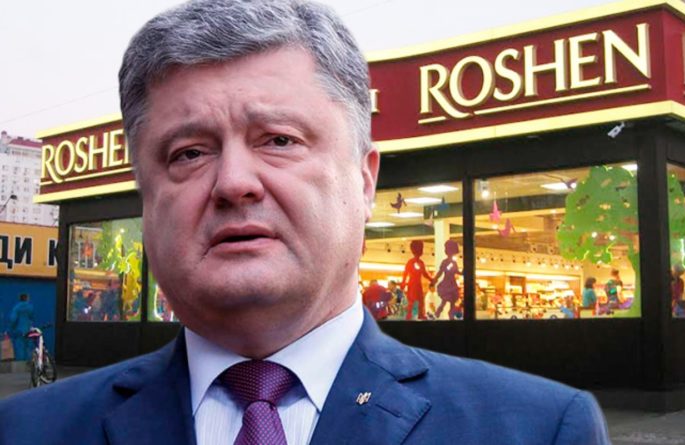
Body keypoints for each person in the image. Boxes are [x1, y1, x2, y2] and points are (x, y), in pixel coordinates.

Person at [0, 1, 610, 444]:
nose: (234, 182)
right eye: (189, 153)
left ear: (364, 181)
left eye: (279, 140)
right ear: (146, 194)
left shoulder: (537, 430)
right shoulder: (27, 430)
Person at [401, 240, 434, 320]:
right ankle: (409, 316)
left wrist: (432, 279)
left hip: (417, 284)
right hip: (412, 284)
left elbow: (424, 273)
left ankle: (420, 314)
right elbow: (405, 273)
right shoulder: (411, 262)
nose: (422, 251)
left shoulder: (420, 262)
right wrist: (403, 282)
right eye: (421, 249)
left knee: (421, 300)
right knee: (412, 301)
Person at [432, 239, 463, 320]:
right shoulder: (446, 262)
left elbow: (456, 271)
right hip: (448, 283)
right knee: (445, 300)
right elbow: (440, 272)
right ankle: (439, 312)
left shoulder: (452, 262)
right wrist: (434, 280)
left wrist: (462, 272)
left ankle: (449, 315)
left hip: (451, 283)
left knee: (451, 301)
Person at [8, 293, 34, 362]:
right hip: (28, 330)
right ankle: (28, 362)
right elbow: (32, 318)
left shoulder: (16, 307)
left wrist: (11, 328)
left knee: (20, 347)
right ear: (27, 298)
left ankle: (20, 363)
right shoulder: (30, 307)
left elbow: (13, 319)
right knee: (28, 346)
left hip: (19, 330)